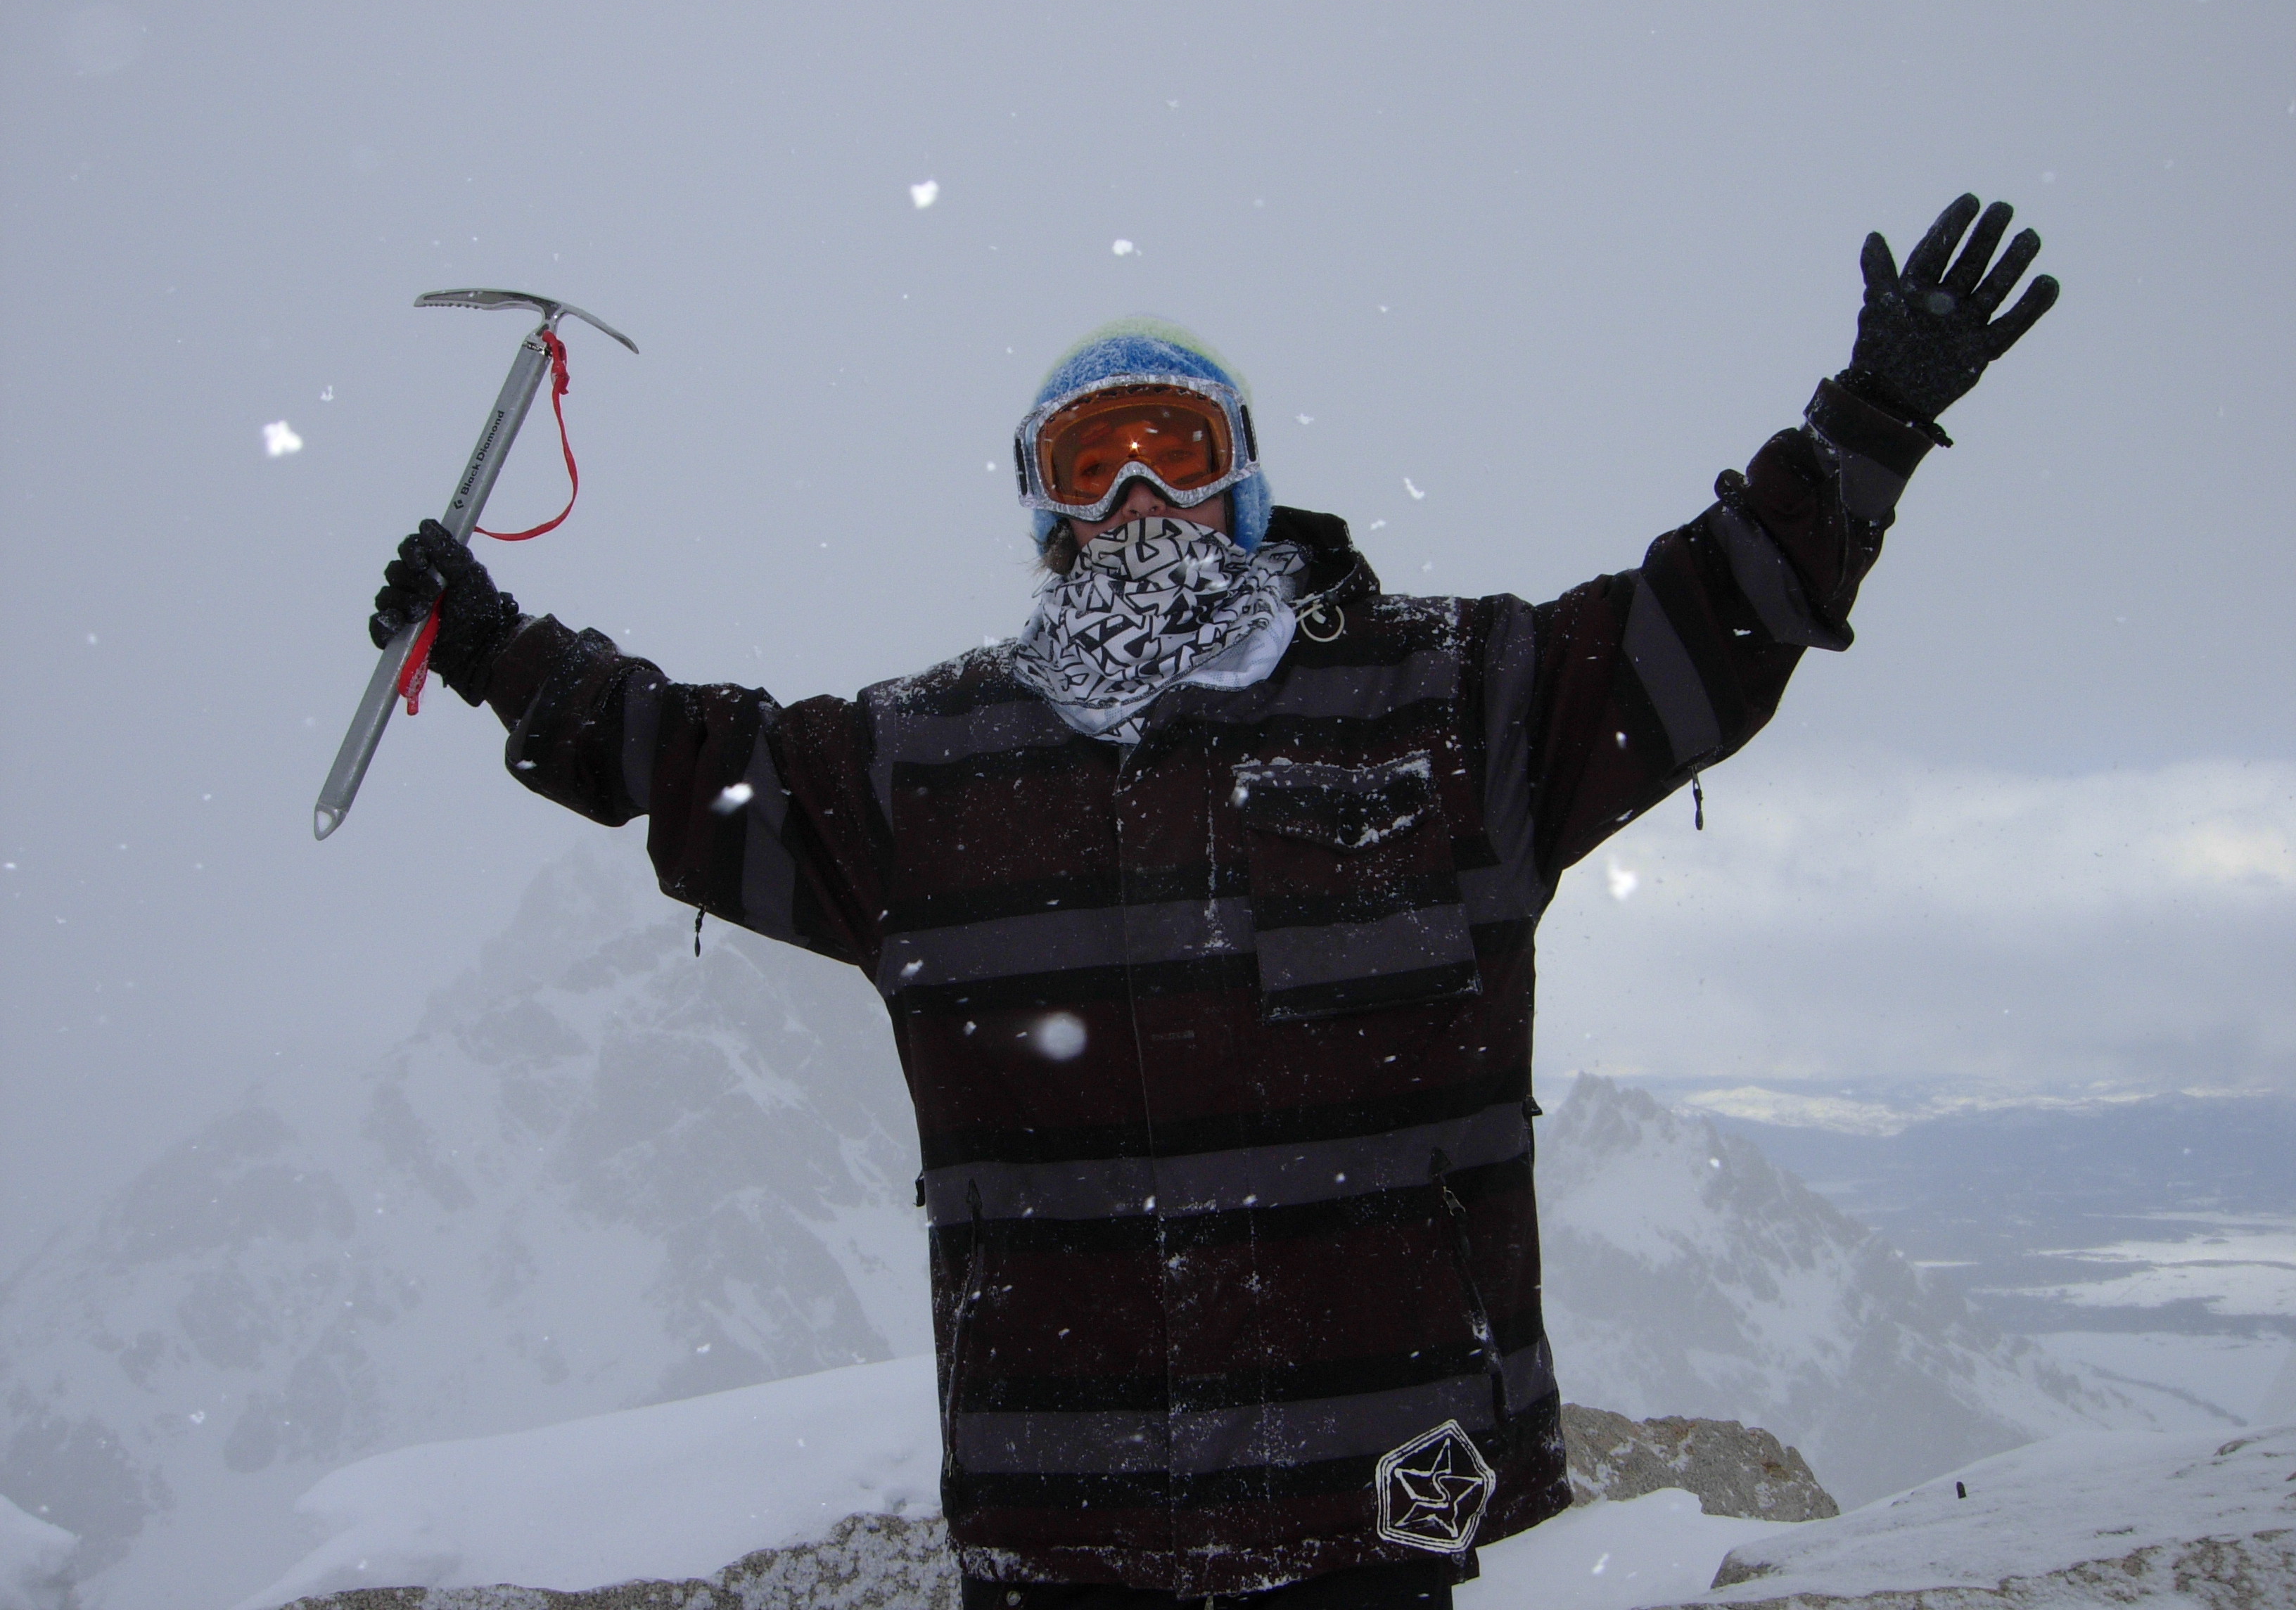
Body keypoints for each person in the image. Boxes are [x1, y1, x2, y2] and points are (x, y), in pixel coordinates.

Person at [370, 195, 2056, 1609]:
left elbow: (1698, 636)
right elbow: (689, 761)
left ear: (1242, 479)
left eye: (1171, 451)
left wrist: (1864, 430)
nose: (1135, 503)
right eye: (1088, 462)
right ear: (1042, 509)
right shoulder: (921, 772)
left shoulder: (1447, 704)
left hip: (1404, 1527)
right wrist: (502, 649)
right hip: (1065, 1539)